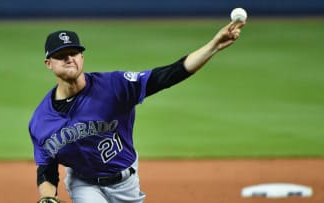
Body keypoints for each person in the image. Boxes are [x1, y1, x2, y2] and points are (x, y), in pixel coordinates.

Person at [29, 20, 245, 203]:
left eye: (74, 52)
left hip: (126, 182)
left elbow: (167, 75)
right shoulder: (41, 121)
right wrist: (47, 198)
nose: (69, 58)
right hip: (84, 184)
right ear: (49, 63)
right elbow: (46, 170)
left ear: (82, 57)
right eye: (61, 55)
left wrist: (214, 46)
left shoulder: (114, 86)